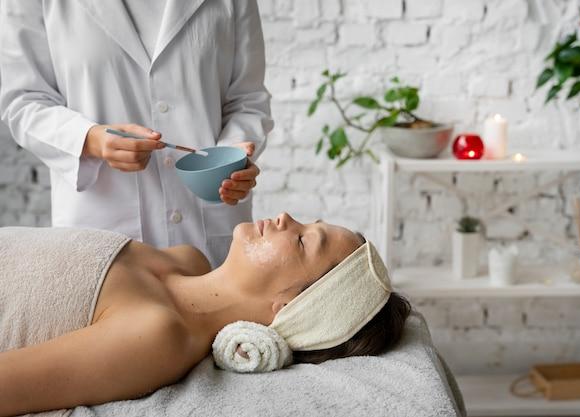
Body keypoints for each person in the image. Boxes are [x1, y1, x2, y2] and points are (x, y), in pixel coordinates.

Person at [0, 213, 411, 416]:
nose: (286, 218)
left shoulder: (158, 336)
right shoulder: (186, 260)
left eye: (303, 241)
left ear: (289, 306)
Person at [0, 0, 273, 268]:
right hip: (102, 234)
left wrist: (229, 159)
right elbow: (24, 101)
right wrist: (90, 139)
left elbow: (247, 99)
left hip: (210, 233)